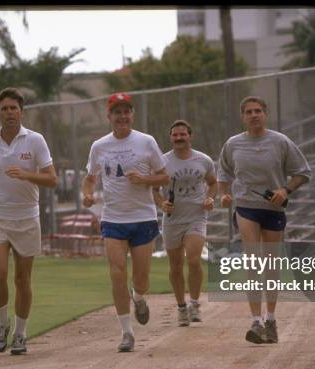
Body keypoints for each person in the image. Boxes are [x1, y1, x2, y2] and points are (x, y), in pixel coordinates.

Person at [0, 87, 57, 355]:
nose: (9, 113)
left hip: (27, 217)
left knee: (22, 279)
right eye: (4, 109)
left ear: (21, 111)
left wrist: (27, 175)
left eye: (13, 108)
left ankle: (20, 333)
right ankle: (1, 323)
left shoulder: (35, 140)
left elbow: (52, 179)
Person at [217, 96, 311, 344]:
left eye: (258, 110)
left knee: (270, 265)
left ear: (265, 114)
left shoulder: (280, 142)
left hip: (273, 209)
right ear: (243, 117)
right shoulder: (233, 144)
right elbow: (223, 173)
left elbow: (302, 172)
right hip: (246, 206)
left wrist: (285, 191)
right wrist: (224, 194)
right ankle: (255, 321)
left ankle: (271, 319)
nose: (254, 115)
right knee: (253, 260)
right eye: (249, 111)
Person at [82, 92, 169, 352]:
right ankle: (127, 332)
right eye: (117, 112)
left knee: (140, 279)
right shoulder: (99, 146)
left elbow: (164, 177)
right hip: (113, 219)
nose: (122, 116)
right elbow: (90, 177)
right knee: (117, 274)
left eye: (126, 111)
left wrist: (145, 180)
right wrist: (87, 194)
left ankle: (139, 297)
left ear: (132, 115)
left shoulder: (146, 142)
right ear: (109, 117)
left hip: (143, 217)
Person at [152, 120, 217, 326]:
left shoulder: (203, 160)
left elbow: (213, 182)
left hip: (196, 216)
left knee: (194, 259)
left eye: (183, 134)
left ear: (190, 136)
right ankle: (182, 307)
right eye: (175, 135)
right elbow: (154, 189)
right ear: (171, 138)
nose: (179, 138)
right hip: (172, 220)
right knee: (176, 265)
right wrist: (162, 204)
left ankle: (195, 303)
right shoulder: (162, 162)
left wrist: (210, 198)